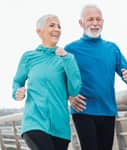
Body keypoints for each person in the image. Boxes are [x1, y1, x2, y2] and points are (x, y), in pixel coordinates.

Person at [57, 4, 127, 150]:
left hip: (108, 110)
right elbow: (59, 80)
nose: (95, 23)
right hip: (83, 111)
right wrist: (70, 97)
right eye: (90, 19)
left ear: (103, 22)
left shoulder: (112, 48)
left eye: (98, 19)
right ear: (81, 23)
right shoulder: (70, 49)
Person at [12, 14, 81, 150]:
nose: (57, 29)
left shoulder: (67, 58)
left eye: (59, 26)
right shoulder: (29, 57)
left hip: (60, 126)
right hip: (34, 123)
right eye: (52, 25)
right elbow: (17, 82)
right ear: (39, 31)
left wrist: (67, 60)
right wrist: (17, 92)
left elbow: (74, 89)